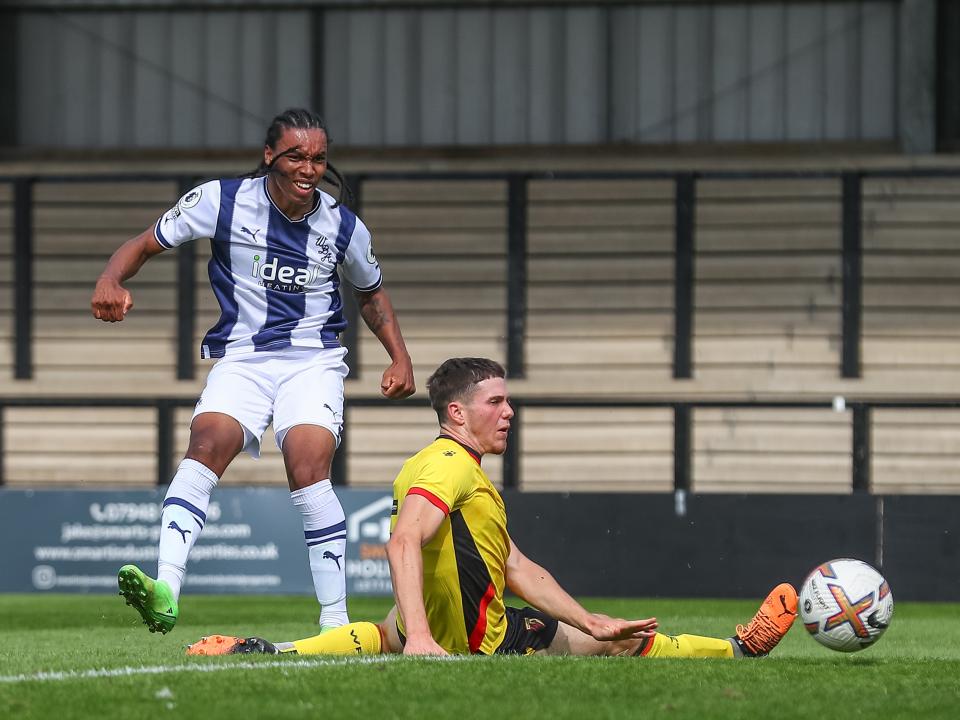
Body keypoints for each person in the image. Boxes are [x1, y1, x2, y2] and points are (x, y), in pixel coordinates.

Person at [186, 358, 797, 659]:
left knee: (606, 637)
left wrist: (590, 619)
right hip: (476, 641)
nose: (509, 412)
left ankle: (265, 650)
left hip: (463, 619)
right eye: (497, 402)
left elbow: (516, 569)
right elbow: (402, 542)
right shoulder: (447, 464)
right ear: (458, 413)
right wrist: (424, 638)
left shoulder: (455, 468)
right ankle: (738, 649)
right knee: (402, 635)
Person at [90, 108, 416, 635]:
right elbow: (145, 242)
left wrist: (399, 356)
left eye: (317, 158)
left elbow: (371, 291)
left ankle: (335, 623)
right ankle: (166, 589)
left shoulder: (343, 225)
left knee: (308, 466)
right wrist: (110, 277)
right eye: (295, 156)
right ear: (270, 156)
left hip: (312, 359)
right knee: (205, 444)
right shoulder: (219, 200)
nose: (308, 169)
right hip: (243, 356)